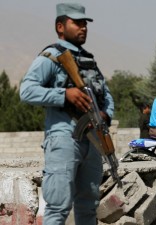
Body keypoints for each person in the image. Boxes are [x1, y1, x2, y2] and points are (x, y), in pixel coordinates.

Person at [19, 3, 114, 225]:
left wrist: (104, 115)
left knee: (89, 206)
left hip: (93, 140)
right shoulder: (51, 56)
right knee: (58, 207)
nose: (83, 27)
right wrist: (64, 95)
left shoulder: (89, 60)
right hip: (64, 139)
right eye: (77, 23)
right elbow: (27, 90)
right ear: (60, 26)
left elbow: (107, 96)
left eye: (85, 24)